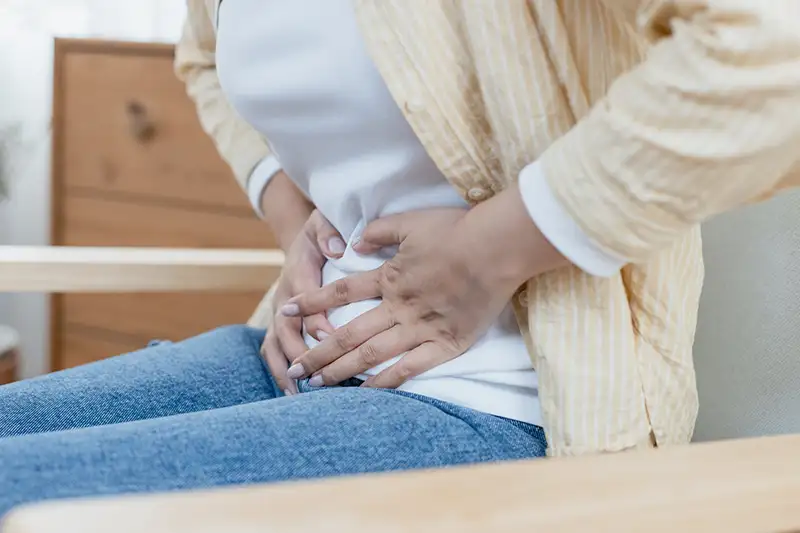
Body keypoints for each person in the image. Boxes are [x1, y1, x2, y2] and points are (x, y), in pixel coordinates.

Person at [1, 0, 799, 516]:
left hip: (507, 404)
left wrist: (488, 254)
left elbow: (770, 57)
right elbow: (204, 59)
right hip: (298, 347)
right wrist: (294, 220)